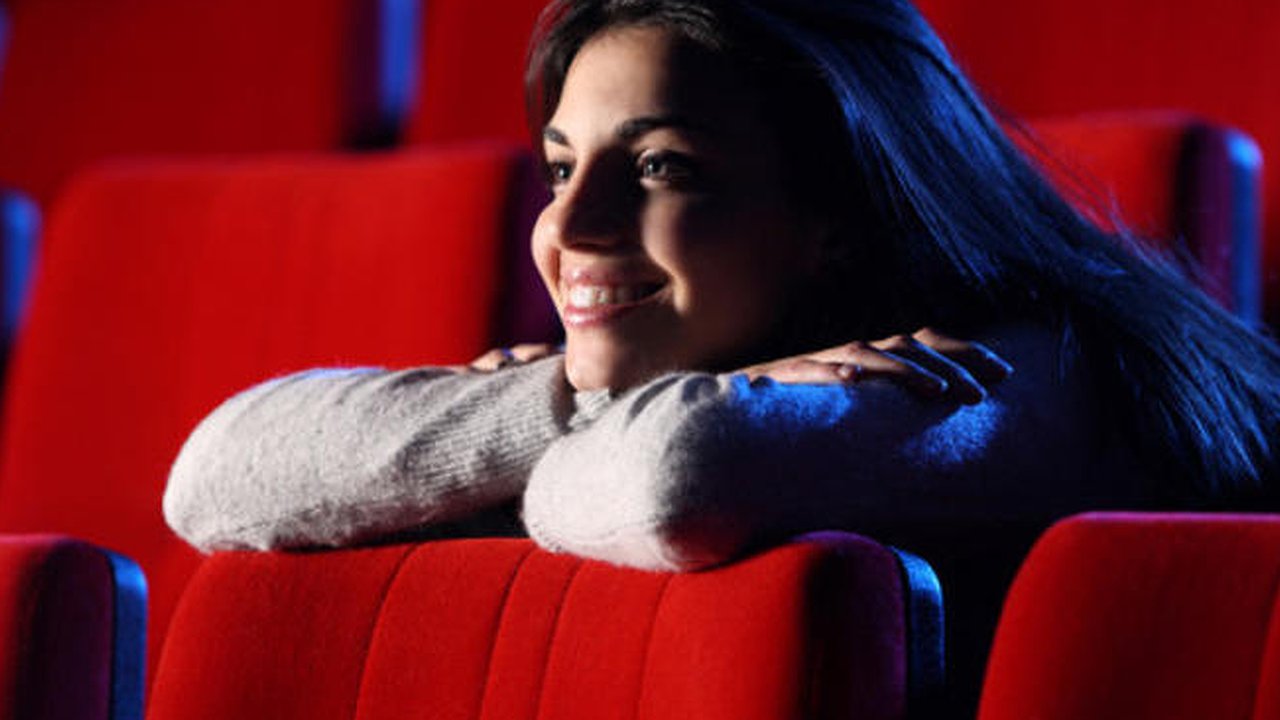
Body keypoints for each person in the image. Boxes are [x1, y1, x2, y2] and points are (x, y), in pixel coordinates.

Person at [167, 0, 1280, 568]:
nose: (568, 227)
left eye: (660, 168)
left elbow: (670, 477)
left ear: (836, 220)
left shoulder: (997, 381)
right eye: (560, 168)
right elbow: (214, 476)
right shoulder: (742, 375)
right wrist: (550, 402)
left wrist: (508, 452)